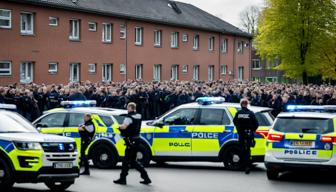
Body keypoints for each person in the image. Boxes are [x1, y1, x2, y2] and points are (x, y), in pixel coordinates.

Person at [114, 102, 151, 185]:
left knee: (126, 160)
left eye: (128, 107)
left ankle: (122, 179)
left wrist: (119, 127)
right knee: (133, 161)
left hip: (130, 141)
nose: (127, 109)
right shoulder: (139, 115)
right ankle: (146, 177)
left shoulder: (129, 117)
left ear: (130, 108)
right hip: (137, 139)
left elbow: (124, 126)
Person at [233, 99, 259, 174]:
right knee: (248, 150)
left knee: (242, 149)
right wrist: (252, 131)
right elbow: (256, 124)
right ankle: (248, 165)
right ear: (247, 104)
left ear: (241, 105)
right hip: (249, 134)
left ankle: (242, 165)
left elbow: (235, 122)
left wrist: (239, 130)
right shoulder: (251, 113)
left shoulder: (238, 113)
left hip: (241, 134)